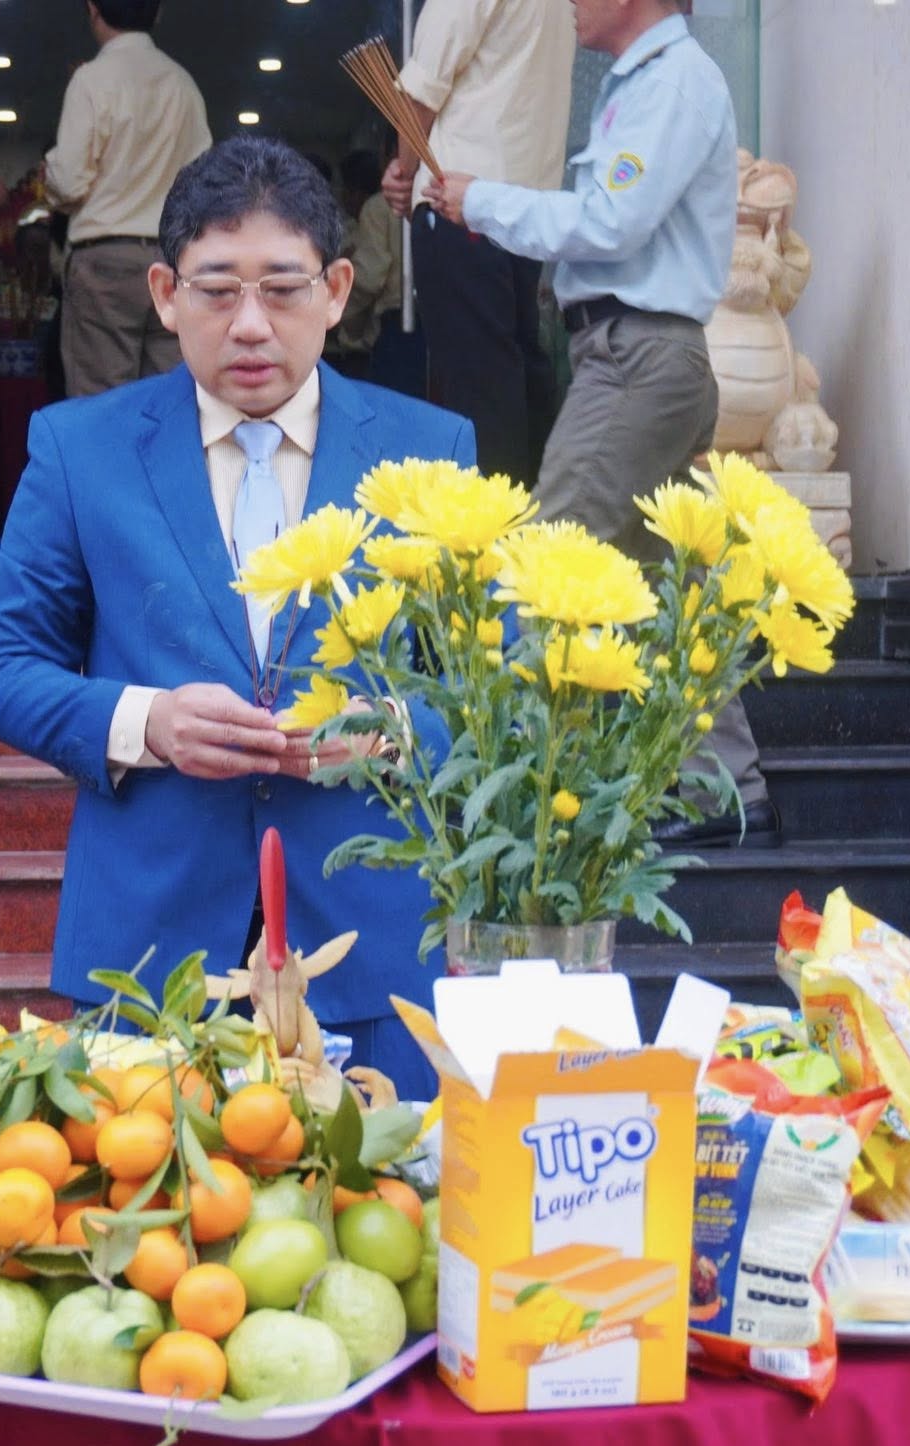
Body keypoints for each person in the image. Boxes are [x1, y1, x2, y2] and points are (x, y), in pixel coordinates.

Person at [0, 138, 476, 1101]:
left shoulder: (430, 450)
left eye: (282, 290)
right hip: (150, 954)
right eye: (216, 290)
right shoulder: (82, 448)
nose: (250, 325)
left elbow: (494, 693)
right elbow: (0, 671)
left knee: (388, 1193)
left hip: (372, 951)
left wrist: (392, 732)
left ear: (335, 290)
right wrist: (147, 722)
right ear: (164, 294)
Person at [424, 0, 776, 846]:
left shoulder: (675, 82)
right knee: (660, 589)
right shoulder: (646, 83)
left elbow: (611, 223)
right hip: (632, 356)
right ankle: (729, 795)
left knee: (554, 561)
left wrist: (483, 201)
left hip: (637, 359)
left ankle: (521, 801)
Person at [380, 0, 573, 481]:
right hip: (526, 213)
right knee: (522, 383)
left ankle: (490, 524)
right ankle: (537, 516)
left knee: (479, 393)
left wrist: (403, 171)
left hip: (460, 201)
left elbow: (421, 93)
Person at [43, 0, 211, 398]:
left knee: (101, 401)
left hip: (105, 257)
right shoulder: (183, 84)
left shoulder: (91, 79)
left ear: (92, 9)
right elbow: (205, 181)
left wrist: (47, 170)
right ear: (158, 13)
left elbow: (69, 181)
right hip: (172, 259)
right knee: (169, 399)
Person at [332, 147, 423, 398]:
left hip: (396, 327)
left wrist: (338, 317)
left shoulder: (378, 207)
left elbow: (369, 277)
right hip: (437, 324)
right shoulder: (439, 201)